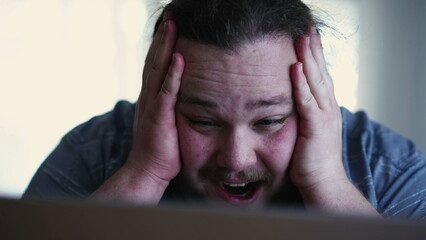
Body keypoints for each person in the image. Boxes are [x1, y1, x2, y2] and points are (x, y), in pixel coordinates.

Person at [23, 0, 426, 219]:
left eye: (269, 121)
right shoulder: (92, 152)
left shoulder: (387, 165)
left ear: (314, 98)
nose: (236, 158)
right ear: (155, 93)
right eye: (202, 120)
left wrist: (328, 183)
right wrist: (143, 174)